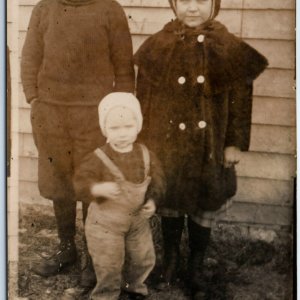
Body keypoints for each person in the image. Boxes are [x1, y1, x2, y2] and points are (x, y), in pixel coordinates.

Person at [134, 0, 268, 298]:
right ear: (173, 4)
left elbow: (241, 102)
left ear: (214, 5)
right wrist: (143, 141)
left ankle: (195, 266)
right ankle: (170, 260)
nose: (192, 8)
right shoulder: (159, 45)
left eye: (201, 0)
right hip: (167, 144)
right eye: (183, 1)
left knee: (204, 202)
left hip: (211, 145)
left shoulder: (229, 47)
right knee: (168, 198)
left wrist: (234, 143)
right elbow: (144, 97)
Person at [20, 0, 135, 290]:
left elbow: (123, 67)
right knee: (59, 181)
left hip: (93, 115)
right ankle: (66, 248)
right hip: (52, 112)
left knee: (91, 185)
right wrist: (33, 97)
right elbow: (30, 56)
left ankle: (93, 255)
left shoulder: (110, 10)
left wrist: (120, 112)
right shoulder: (45, 8)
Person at [72, 92, 165, 300]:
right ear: (105, 129)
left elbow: (158, 181)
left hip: (137, 221)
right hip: (106, 223)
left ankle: (134, 289)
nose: (122, 133)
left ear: (137, 126)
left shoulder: (145, 154)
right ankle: (106, 294)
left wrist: (152, 200)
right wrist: (97, 189)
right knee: (109, 262)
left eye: (128, 127)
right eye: (114, 128)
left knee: (142, 258)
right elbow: (80, 182)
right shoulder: (98, 157)